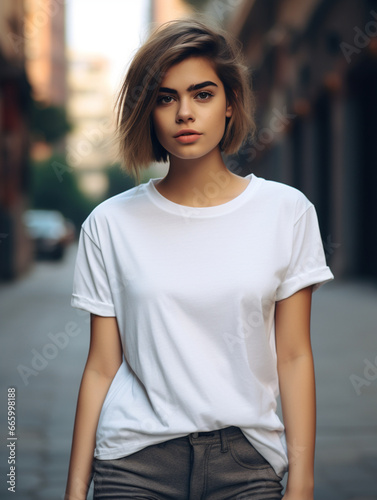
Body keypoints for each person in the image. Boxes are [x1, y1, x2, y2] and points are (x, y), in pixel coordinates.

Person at [65, 17, 334, 500]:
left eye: (202, 94)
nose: (184, 112)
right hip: (134, 463)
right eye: (166, 98)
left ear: (230, 104)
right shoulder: (109, 225)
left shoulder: (287, 212)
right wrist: (74, 488)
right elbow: (102, 366)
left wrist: (303, 484)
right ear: (148, 112)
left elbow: (294, 356)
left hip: (247, 464)